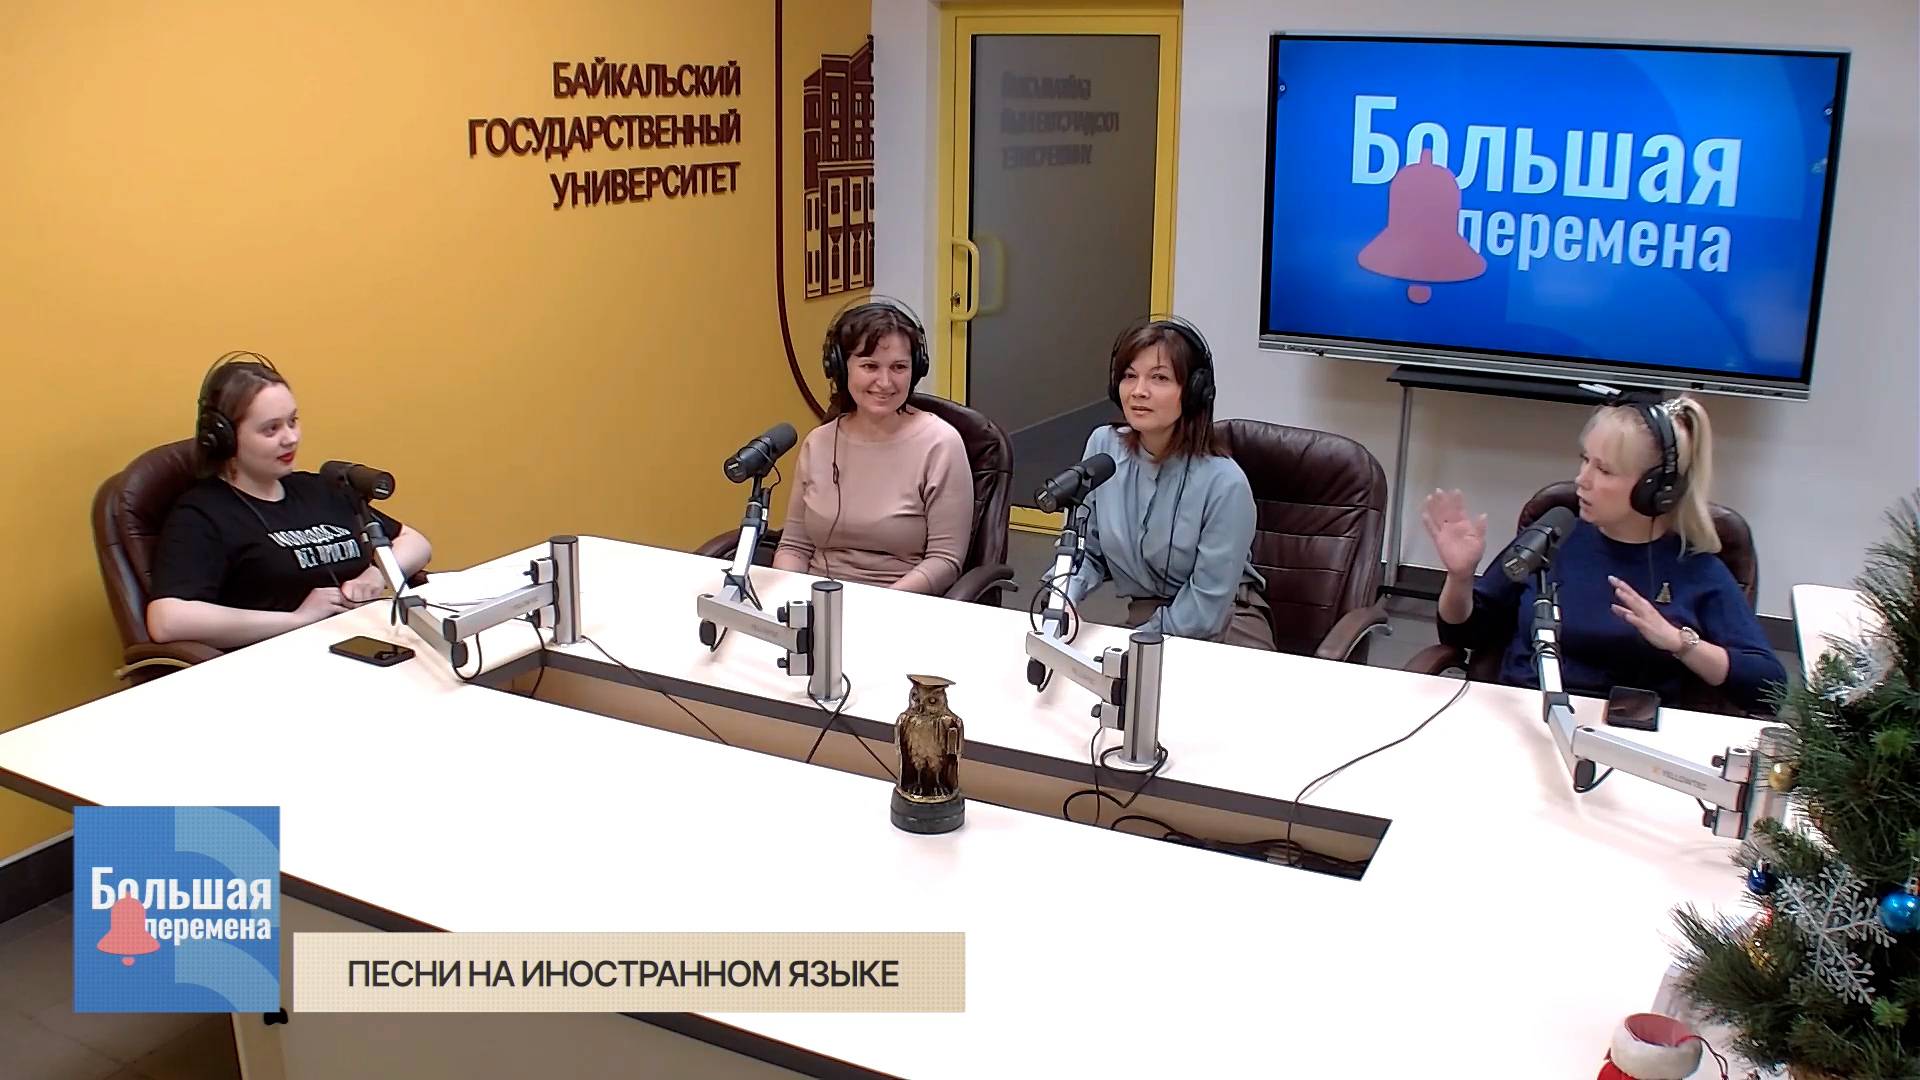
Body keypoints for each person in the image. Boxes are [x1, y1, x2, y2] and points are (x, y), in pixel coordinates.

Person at [1423, 393, 1786, 713]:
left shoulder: (1696, 569)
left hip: (1619, 736)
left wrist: (1680, 643)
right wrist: (1460, 578)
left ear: (1656, 489)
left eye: (1605, 470)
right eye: (1585, 460)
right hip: (1521, 714)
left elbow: (1768, 689)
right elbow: (1463, 636)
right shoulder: (1553, 535)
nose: (1582, 479)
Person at [146, 352, 432, 649]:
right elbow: (167, 620)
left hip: (367, 644)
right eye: (271, 429)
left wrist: (375, 575)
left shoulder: (320, 489)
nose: (290, 438)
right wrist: (296, 619)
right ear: (226, 439)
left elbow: (415, 542)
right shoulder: (203, 514)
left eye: (292, 421)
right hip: (282, 660)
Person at [1064, 318, 1275, 650]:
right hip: (1145, 618)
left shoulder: (1225, 483)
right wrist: (1062, 596)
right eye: (1129, 376)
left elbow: (1205, 611)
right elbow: (1086, 549)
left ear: (1193, 391)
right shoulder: (1103, 448)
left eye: (1159, 378)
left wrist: (1130, 647)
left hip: (1226, 625)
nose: (1139, 391)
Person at [773, 300, 974, 594]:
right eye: (870, 366)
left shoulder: (941, 444)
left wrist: (879, 605)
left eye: (899, 367)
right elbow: (794, 547)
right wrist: (787, 598)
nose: (885, 382)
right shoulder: (819, 442)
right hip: (817, 599)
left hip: (898, 602)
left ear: (916, 370)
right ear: (841, 369)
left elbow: (945, 560)